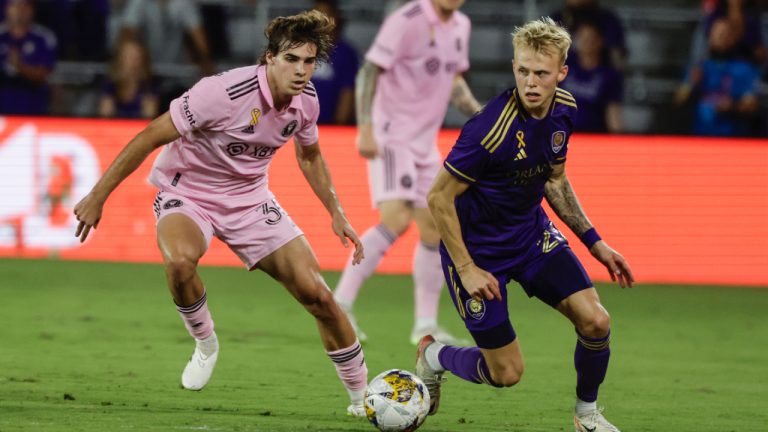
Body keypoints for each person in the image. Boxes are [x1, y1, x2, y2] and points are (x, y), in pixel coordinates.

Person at [73, 10, 370, 417]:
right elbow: (148, 136)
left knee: (318, 295)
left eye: (308, 61)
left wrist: (336, 211)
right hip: (188, 193)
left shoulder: (308, 102)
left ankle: (362, 398)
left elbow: (311, 155)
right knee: (180, 263)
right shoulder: (221, 93)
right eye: (291, 59)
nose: (301, 71)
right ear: (269, 58)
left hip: (249, 200)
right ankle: (206, 342)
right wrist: (97, 196)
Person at [415, 17, 634, 432]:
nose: (530, 82)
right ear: (514, 67)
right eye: (522, 71)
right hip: (479, 253)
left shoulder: (565, 109)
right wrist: (466, 268)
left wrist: (595, 242)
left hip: (532, 237)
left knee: (596, 321)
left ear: (561, 73)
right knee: (507, 373)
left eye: (541, 73)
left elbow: (554, 180)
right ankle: (434, 356)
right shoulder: (489, 129)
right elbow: (438, 197)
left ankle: (586, 415)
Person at [333, 0, 482, 345]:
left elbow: (454, 78)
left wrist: (480, 115)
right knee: (396, 219)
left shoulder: (461, 26)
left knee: (435, 227)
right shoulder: (408, 18)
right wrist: (366, 126)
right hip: (391, 135)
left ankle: (425, 326)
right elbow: (370, 70)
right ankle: (340, 305)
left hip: (424, 143)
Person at [675, 17, 760, 136]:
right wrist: (691, 82)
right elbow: (679, 100)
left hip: (733, 138)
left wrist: (733, 107)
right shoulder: (699, 67)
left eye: (725, 34)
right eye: (717, 34)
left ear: (733, 38)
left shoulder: (744, 68)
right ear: (709, 37)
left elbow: (752, 105)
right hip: (700, 137)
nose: (721, 38)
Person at [560, 21, 623, 133]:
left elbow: (612, 112)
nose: (587, 42)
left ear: (600, 41)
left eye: (591, 38)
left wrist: (618, 140)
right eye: (583, 38)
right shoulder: (564, 66)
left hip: (593, 137)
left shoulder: (608, 75)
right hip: (561, 135)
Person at [0, 0, 57, 115]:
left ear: (32, 9)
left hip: (32, 102)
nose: (20, 11)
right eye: (15, 6)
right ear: (6, 9)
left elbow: (44, 73)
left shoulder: (43, 37)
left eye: (25, 6)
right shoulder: (2, 35)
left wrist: (21, 67)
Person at [311, 0, 359, 125]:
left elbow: (347, 93)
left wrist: (338, 128)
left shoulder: (346, 53)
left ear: (336, 20)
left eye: (325, 16)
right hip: (300, 127)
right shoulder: (299, 50)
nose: (320, 22)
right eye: (315, 16)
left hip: (331, 128)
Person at [549, 0, 627, 71]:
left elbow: (618, 61)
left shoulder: (608, 20)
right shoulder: (556, 20)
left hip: (600, 81)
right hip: (563, 80)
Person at [99, 38, 159, 119]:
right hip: (115, 127)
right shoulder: (111, 84)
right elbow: (105, 114)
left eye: (137, 57)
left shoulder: (149, 85)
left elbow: (149, 115)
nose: (133, 61)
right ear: (120, 59)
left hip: (140, 128)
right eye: (129, 56)